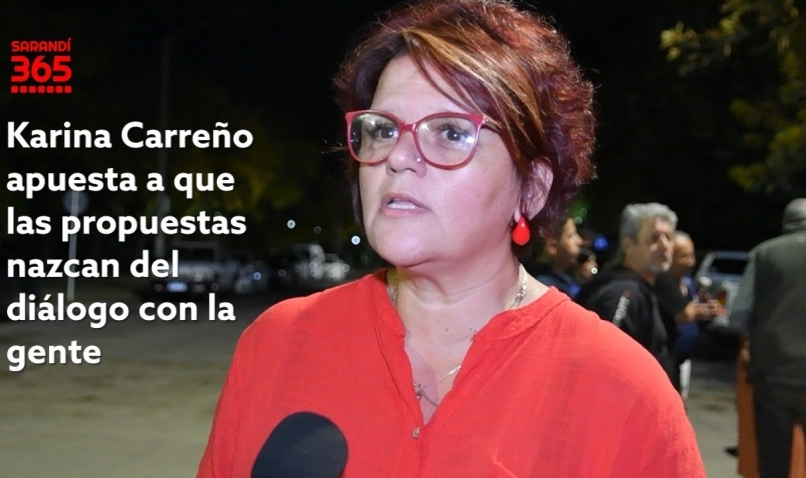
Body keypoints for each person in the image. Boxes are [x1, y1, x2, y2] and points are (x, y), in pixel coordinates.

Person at [196, 2, 704, 476]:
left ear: (531, 187)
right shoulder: (278, 344)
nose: (397, 157)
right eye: (383, 129)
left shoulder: (625, 392)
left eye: (451, 132)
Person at [730, 198, 806, 478]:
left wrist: (752, 338)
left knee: (774, 464)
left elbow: (739, 314)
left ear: (786, 223)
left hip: (772, 374)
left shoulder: (763, 254)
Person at [575, 203, 676, 378]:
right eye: (654, 238)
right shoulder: (623, 292)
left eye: (669, 237)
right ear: (628, 245)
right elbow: (605, 363)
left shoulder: (641, 289)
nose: (664, 245)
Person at [654, 231, 721, 397]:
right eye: (684, 256)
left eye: (692, 255)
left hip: (682, 362)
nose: (691, 262)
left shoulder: (689, 285)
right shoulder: (659, 283)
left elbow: (697, 319)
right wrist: (702, 310)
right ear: (670, 256)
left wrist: (709, 310)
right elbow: (684, 314)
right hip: (661, 362)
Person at [528, 215, 584, 297]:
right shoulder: (544, 287)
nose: (580, 241)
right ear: (552, 246)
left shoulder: (563, 279)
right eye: (571, 236)